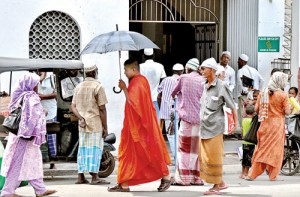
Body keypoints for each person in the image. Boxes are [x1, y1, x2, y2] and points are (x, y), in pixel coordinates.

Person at [108, 58, 173, 192]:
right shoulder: (140, 81)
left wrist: (124, 88)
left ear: (133, 69)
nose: (125, 73)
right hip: (133, 125)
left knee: (149, 151)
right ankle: (124, 183)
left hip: (140, 127)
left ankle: (166, 176)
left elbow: (133, 103)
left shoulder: (138, 82)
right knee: (128, 153)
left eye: (126, 70)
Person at [1, 73, 56, 197]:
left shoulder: (18, 94)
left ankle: (40, 189)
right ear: (30, 84)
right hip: (25, 136)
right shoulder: (31, 96)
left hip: (18, 135)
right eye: (35, 83)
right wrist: (43, 112)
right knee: (18, 162)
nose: (37, 86)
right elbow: (33, 116)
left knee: (32, 161)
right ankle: (7, 192)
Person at [198, 57, 238, 195]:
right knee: (205, 157)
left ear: (212, 70)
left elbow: (232, 106)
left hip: (215, 128)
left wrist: (236, 123)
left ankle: (216, 186)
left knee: (214, 157)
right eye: (201, 68)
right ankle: (220, 183)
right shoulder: (204, 85)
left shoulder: (221, 86)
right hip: (203, 128)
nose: (201, 70)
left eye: (203, 68)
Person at [246, 72, 291, 181]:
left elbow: (256, 109)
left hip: (264, 125)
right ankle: (273, 175)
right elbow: (287, 112)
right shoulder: (283, 95)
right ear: (280, 82)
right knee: (276, 150)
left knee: (261, 149)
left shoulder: (263, 93)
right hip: (277, 126)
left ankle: (252, 174)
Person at [71, 65, 109, 185]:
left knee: (82, 149)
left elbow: (73, 106)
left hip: (82, 124)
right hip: (94, 123)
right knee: (95, 149)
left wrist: (81, 118)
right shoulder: (98, 86)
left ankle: (80, 176)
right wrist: (105, 127)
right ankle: (94, 177)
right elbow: (102, 109)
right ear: (95, 73)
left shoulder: (78, 87)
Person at [171, 58, 204, 186]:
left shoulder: (183, 78)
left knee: (184, 149)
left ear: (188, 68)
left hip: (186, 119)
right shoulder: (203, 80)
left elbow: (173, 93)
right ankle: (196, 178)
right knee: (195, 149)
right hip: (200, 120)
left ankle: (183, 179)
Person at [157, 63, 184, 160]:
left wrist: (161, 108)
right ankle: (178, 157)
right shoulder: (181, 80)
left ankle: (177, 157)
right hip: (177, 111)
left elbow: (159, 96)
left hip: (167, 111)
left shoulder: (165, 80)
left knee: (171, 135)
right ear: (181, 71)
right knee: (177, 133)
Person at [37, 71, 58, 169]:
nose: (39, 71)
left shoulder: (51, 78)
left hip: (51, 110)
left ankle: (53, 161)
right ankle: (40, 160)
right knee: (39, 136)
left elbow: (56, 94)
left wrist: (43, 97)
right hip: (38, 111)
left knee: (51, 137)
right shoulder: (34, 78)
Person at [237, 54, 264, 128]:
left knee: (243, 114)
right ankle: (253, 130)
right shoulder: (254, 70)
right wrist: (258, 91)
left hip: (244, 96)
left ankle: (244, 133)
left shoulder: (240, 71)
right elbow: (262, 80)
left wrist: (244, 91)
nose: (237, 62)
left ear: (242, 61)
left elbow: (240, 83)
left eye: (239, 60)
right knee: (253, 113)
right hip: (254, 96)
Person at [140, 48, 166, 120]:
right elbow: (164, 81)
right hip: (156, 99)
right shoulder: (160, 66)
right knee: (155, 123)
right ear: (153, 55)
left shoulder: (139, 67)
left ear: (143, 56)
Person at [240, 104, 255, 179]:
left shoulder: (244, 120)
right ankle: (246, 173)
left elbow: (242, 130)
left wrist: (242, 136)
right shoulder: (252, 121)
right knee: (249, 159)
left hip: (244, 142)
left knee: (244, 158)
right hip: (251, 142)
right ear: (253, 112)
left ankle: (242, 173)